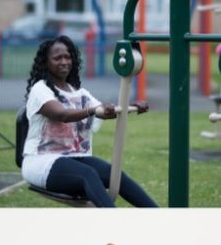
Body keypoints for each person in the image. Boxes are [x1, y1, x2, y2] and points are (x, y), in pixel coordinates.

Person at [21, 36, 159, 207]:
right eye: (57, 58)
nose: (64, 62)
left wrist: (131, 106)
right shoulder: (40, 89)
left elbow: (104, 111)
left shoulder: (79, 92)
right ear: (45, 62)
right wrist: (92, 110)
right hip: (41, 162)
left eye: (67, 57)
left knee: (115, 174)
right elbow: (62, 114)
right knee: (88, 174)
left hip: (76, 158)